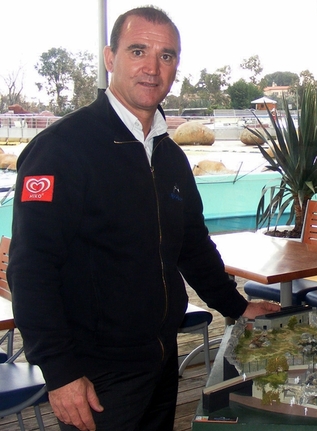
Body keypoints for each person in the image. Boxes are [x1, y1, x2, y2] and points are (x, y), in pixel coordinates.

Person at [7, 7, 280, 431]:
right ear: (110, 58)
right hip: (97, 374)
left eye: (166, 56)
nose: (153, 68)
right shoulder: (61, 150)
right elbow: (31, 268)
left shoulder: (169, 156)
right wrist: (60, 372)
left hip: (162, 357)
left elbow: (191, 244)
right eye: (138, 51)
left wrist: (237, 307)